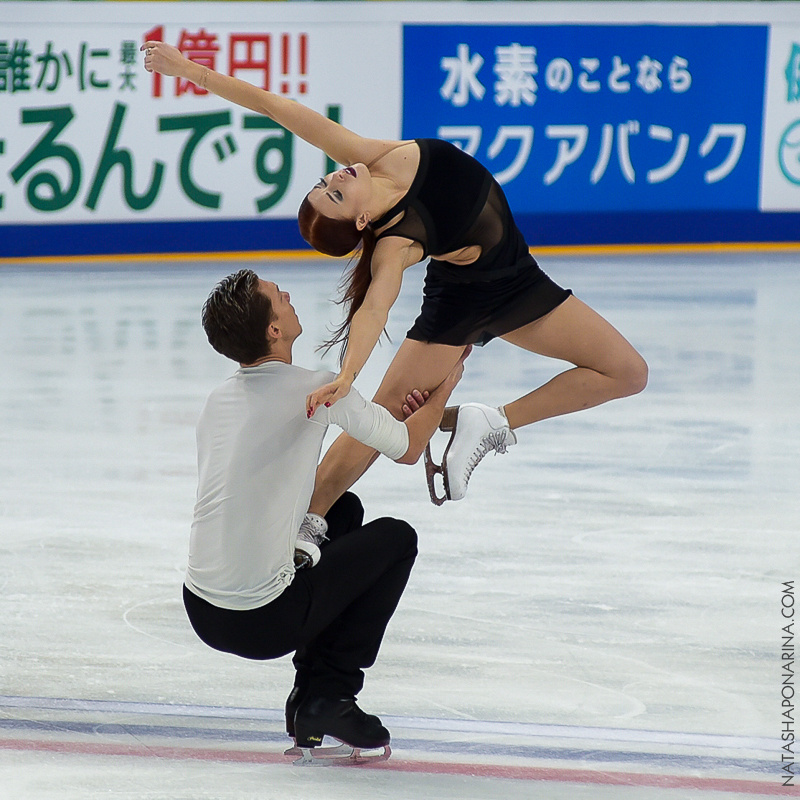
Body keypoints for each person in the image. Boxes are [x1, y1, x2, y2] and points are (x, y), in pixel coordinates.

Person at [142, 42, 648, 511]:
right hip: (463, 300)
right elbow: (374, 309)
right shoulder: (394, 244)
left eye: (326, 182)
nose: (336, 178)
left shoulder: (367, 157)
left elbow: (278, 108)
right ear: (361, 223)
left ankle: (490, 421)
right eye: (335, 195)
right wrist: (346, 377)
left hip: (518, 277)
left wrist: (191, 72)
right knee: (381, 415)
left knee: (627, 372)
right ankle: (304, 521)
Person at [182, 268, 467, 763]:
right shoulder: (313, 388)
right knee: (396, 539)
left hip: (202, 608)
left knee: (344, 510)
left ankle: (308, 701)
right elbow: (406, 447)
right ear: (273, 330)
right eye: (277, 295)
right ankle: (330, 695)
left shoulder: (219, 399)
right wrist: (449, 380)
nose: (287, 293)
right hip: (261, 619)